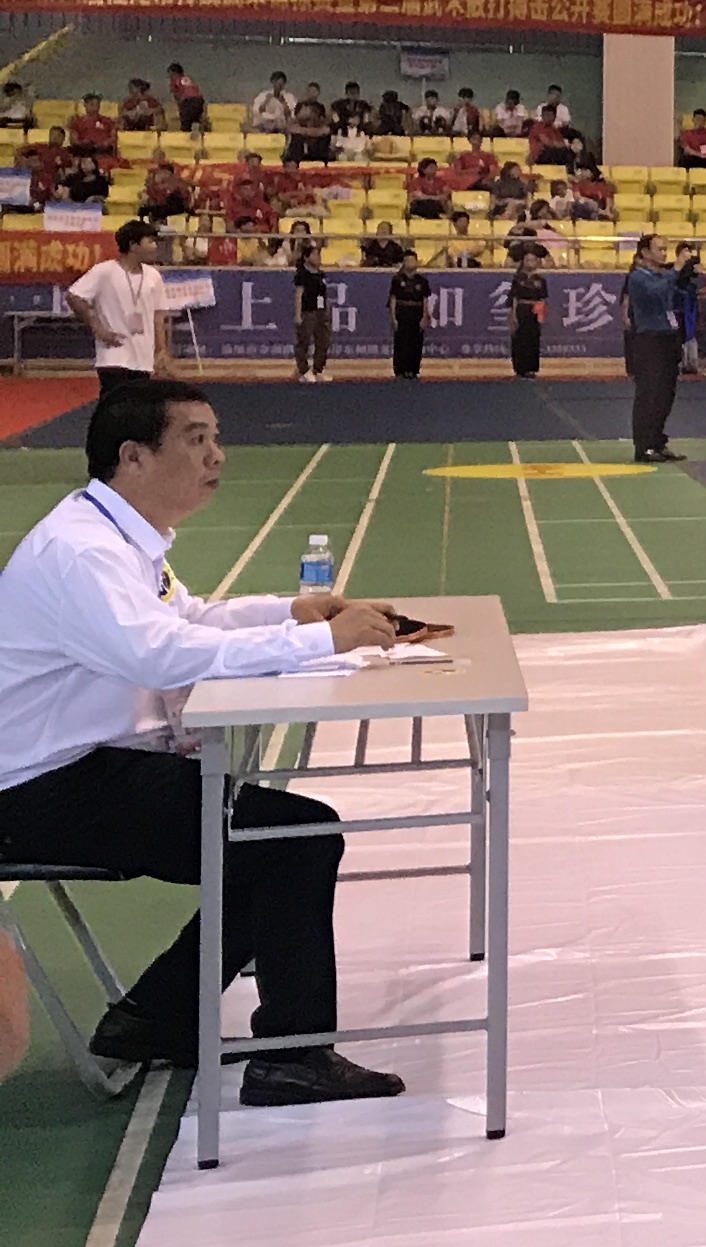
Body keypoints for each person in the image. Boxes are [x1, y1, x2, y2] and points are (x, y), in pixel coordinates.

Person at [0, 383, 416, 1106]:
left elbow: (188, 619)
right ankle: (290, 1055)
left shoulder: (120, 535)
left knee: (273, 839)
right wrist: (320, 641)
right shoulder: (82, 551)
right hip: (41, 790)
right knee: (293, 837)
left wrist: (293, 612)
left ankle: (157, 1016)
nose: (216, 455)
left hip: (82, 770)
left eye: (215, 438)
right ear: (133, 457)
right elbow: (160, 655)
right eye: (196, 440)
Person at [66, 219, 168, 395]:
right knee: (113, 405)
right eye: (150, 241)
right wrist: (97, 327)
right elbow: (74, 296)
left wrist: (161, 350)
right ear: (133, 245)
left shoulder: (153, 276)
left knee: (137, 407)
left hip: (143, 358)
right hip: (113, 356)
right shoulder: (105, 271)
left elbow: (158, 315)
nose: (154, 247)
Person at [623, 231, 688, 461]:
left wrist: (685, 276)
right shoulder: (638, 277)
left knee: (665, 393)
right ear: (645, 252)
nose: (663, 253)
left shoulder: (662, 275)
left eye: (665, 249)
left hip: (668, 336)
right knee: (648, 393)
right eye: (659, 249)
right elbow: (655, 293)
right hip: (649, 339)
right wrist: (676, 270)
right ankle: (643, 446)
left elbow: (675, 295)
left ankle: (657, 441)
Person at [291, 227, 335, 382]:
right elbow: (298, 294)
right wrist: (298, 314)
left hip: (320, 311)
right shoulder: (302, 274)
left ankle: (317, 369)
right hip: (307, 311)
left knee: (323, 340)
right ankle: (303, 369)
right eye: (315, 254)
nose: (318, 257)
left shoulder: (321, 274)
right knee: (304, 341)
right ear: (306, 257)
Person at [387, 244, 430, 379]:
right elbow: (393, 299)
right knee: (401, 341)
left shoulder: (422, 281)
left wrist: (425, 316)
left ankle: (413, 369)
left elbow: (425, 299)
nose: (410, 263)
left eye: (412, 260)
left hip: (416, 312)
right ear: (404, 263)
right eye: (408, 260)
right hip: (402, 312)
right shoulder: (397, 280)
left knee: (416, 342)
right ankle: (400, 369)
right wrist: (393, 317)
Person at [506, 243, 548, 379]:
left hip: (535, 310)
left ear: (537, 262)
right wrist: (513, 315)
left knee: (533, 338)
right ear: (523, 262)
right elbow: (513, 298)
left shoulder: (541, 280)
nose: (530, 263)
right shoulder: (518, 279)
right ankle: (519, 368)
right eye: (528, 260)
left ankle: (531, 368)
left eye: (533, 260)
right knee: (520, 338)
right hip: (521, 310)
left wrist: (541, 315)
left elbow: (542, 299)